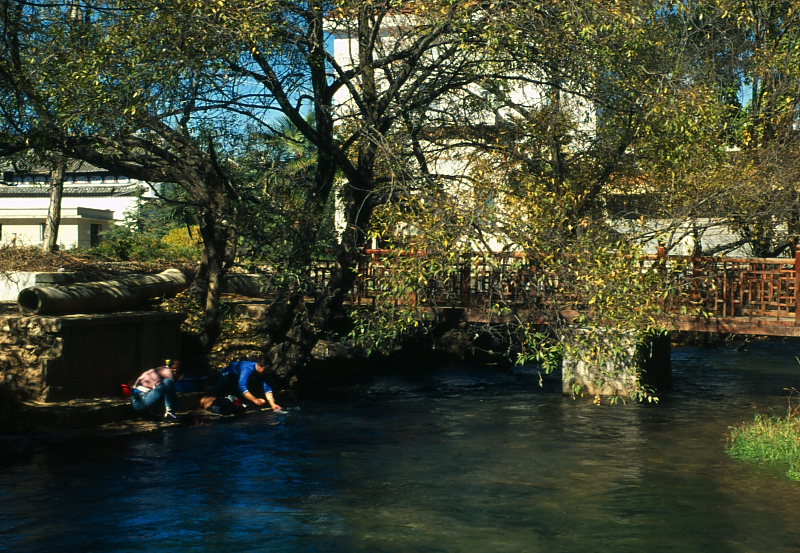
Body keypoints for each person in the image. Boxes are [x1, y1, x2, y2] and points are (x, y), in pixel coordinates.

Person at [216, 355, 282, 411]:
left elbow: (267, 388)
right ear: (259, 365)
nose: (267, 371)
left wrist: (273, 404)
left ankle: (237, 400)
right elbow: (242, 386)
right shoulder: (247, 368)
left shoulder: (263, 372)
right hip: (226, 376)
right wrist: (255, 400)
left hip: (237, 380)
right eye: (265, 369)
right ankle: (227, 397)